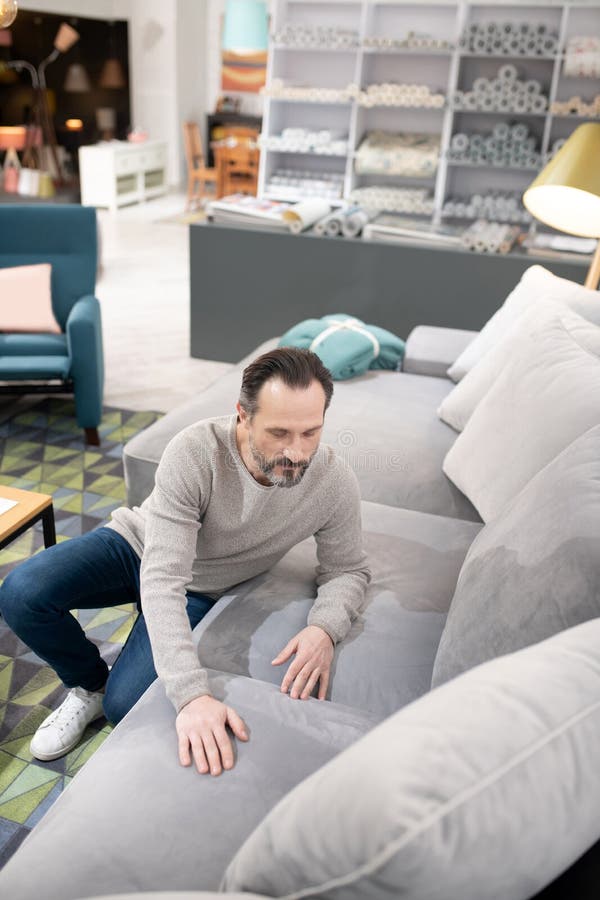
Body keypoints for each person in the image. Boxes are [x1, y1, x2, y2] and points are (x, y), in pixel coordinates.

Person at [0, 348, 370, 775]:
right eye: (280, 432)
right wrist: (193, 695)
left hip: (202, 585)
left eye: (311, 432)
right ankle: (88, 684)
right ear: (243, 416)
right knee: (22, 592)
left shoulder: (333, 481)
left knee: (125, 707)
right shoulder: (195, 452)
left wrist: (324, 627)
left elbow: (348, 568)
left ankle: (107, 694)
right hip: (137, 544)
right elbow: (161, 575)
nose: (297, 452)